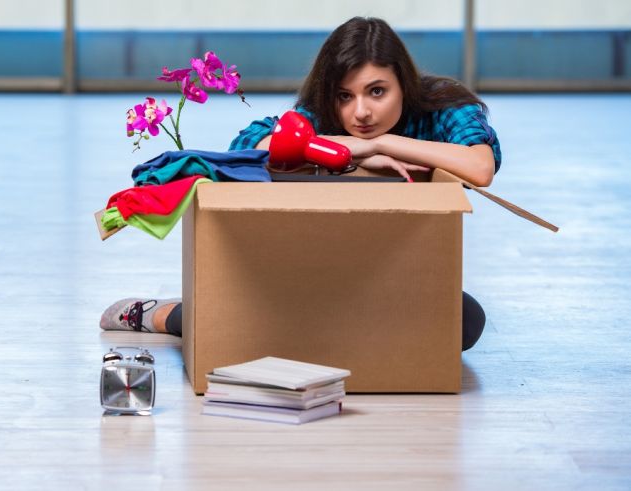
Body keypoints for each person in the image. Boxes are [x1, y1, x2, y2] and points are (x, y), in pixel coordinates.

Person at [100, 17, 500, 351]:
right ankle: (159, 313)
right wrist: (355, 151)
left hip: (397, 273)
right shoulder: (320, 115)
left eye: (377, 92)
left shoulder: (443, 105)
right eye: (345, 96)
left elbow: (479, 166)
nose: (360, 112)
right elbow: (248, 146)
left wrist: (384, 142)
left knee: (465, 321)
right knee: (237, 318)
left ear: (404, 83)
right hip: (310, 267)